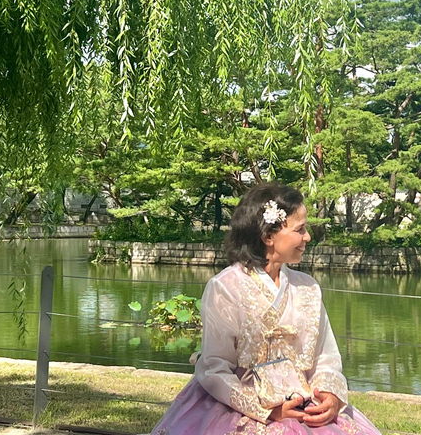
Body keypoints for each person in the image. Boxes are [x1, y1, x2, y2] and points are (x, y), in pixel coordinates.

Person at [151, 182, 381, 434]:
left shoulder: (308, 288)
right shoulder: (225, 288)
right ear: (268, 236)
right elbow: (214, 367)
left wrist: (330, 396)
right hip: (238, 404)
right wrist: (267, 410)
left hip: (304, 402)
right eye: (300, 229)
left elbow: (325, 357)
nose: (307, 237)